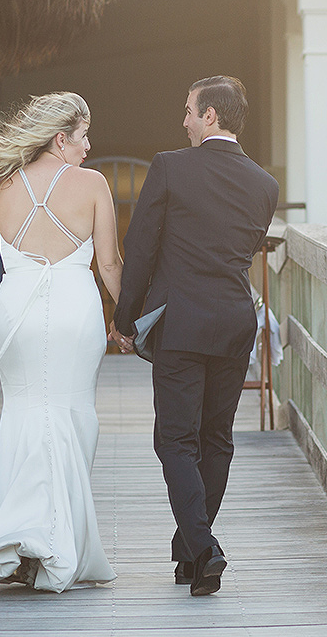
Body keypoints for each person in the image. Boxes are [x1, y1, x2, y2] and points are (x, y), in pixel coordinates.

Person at [110, 76, 279, 597]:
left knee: (176, 441)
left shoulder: (170, 168)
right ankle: (191, 550)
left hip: (181, 322)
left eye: (188, 110)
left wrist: (124, 317)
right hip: (233, 320)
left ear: (210, 117)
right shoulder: (265, 185)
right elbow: (247, 247)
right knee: (216, 439)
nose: (183, 120)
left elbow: (139, 249)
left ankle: (204, 548)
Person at [0, 92, 122, 592]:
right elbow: (110, 264)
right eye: (83, 136)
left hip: (17, 311)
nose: (88, 146)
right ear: (61, 138)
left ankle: (18, 541)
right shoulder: (93, 185)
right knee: (73, 417)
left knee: (25, 412)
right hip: (77, 311)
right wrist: (129, 319)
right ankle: (58, 544)